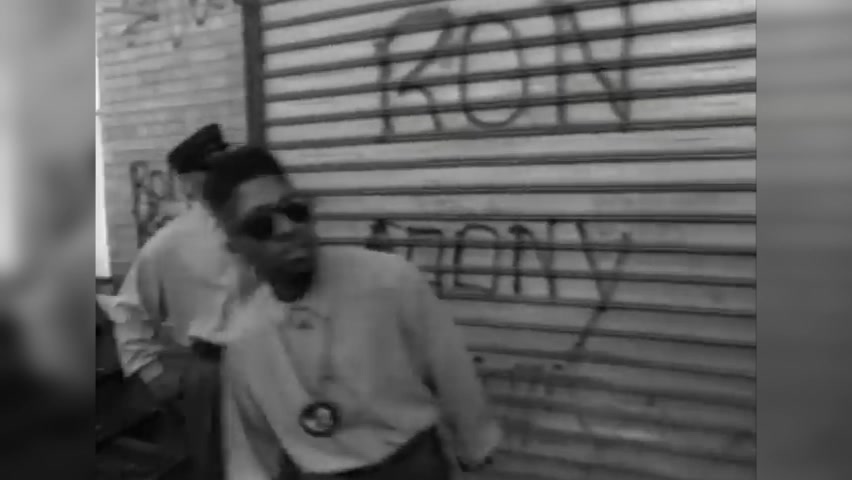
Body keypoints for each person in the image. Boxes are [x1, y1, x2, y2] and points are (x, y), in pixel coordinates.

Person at [200, 146, 502, 480]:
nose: (287, 228)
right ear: (235, 246)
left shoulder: (388, 281)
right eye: (261, 224)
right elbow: (251, 452)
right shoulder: (245, 337)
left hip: (411, 464)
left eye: (295, 210)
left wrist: (477, 450)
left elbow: (452, 372)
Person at [100, 124, 256, 480]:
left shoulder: (262, 224)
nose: (222, 177)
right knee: (220, 467)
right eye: (210, 170)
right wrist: (150, 371)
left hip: (280, 356)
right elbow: (128, 309)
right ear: (187, 182)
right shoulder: (170, 244)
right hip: (215, 371)